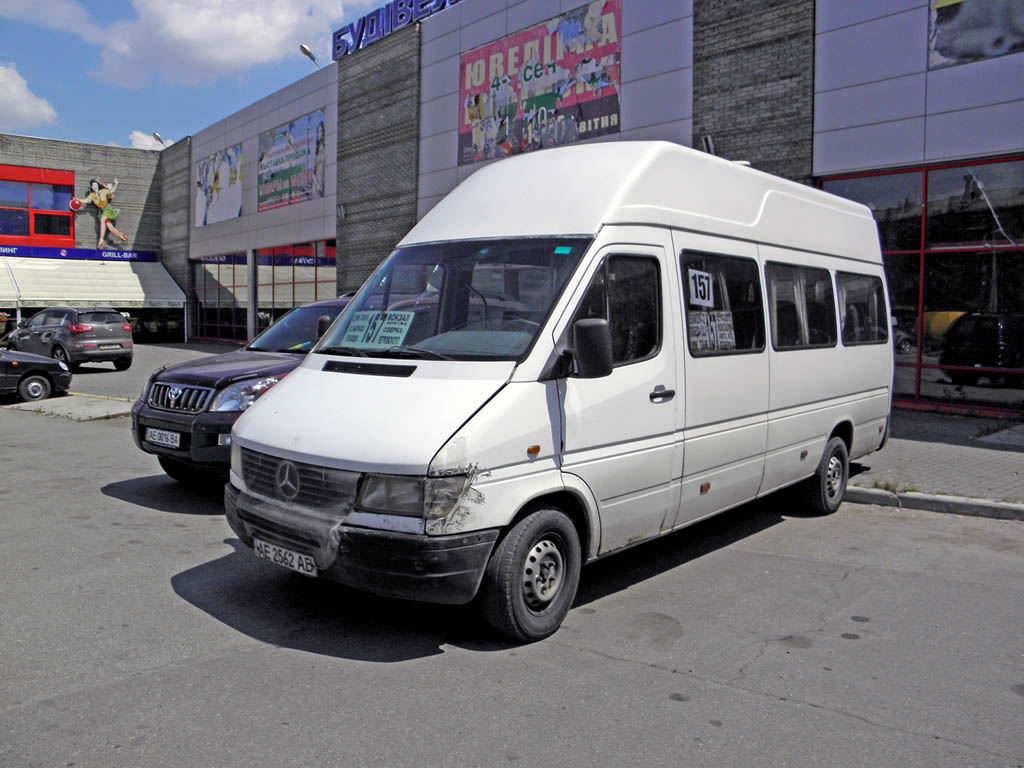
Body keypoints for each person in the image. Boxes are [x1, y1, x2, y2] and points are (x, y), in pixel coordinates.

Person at [74, 178, 127, 249]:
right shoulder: (92, 195)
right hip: (102, 211)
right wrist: (78, 199)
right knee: (110, 228)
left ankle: (100, 241)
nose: (94, 186)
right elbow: (87, 200)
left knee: (102, 220)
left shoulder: (103, 191)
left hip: (107, 209)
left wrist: (116, 183)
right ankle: (121, 236)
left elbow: (111, 191)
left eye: (95, 184)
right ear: (91, 187)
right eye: (93, 185)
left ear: (98, 185)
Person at [313, 120, 326, 197]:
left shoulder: (325, 148)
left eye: (320, 131)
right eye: (318, 132)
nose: (319, 134)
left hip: (323, 183)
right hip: (316, 185)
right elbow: (313, 172)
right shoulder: (316, 150)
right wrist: (317, 185)